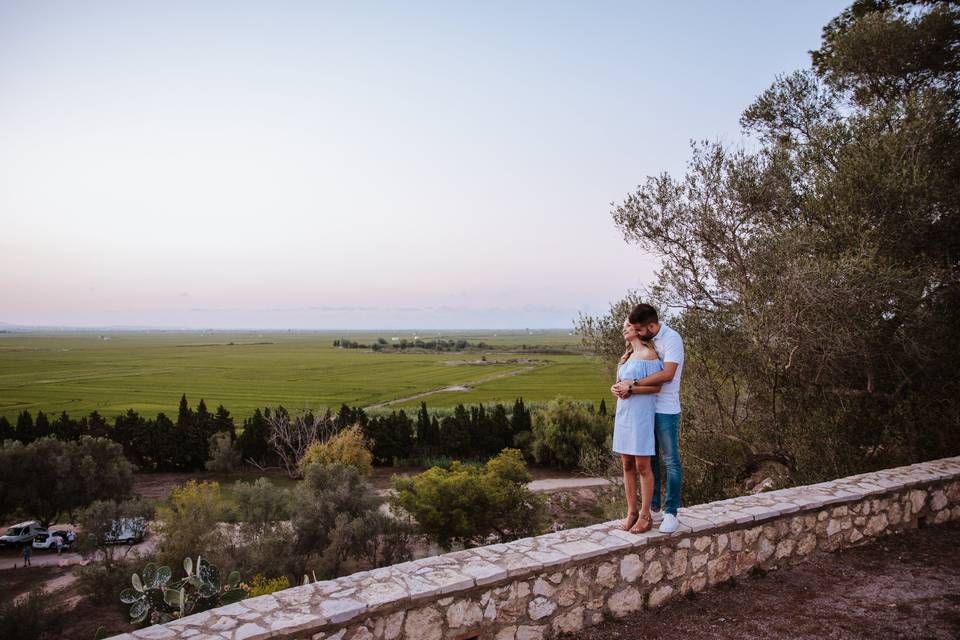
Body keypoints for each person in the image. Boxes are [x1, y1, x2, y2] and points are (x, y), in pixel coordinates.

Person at [613, 304, 684, 533]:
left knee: (670, 461)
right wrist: (621, 388)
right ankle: (650, 509)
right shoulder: (631, 353)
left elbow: (666, 375)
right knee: (647, 462)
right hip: (639, 411)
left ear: (649, 326)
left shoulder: (671, 339)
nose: (634, 330)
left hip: (665, 408)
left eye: (637, 328)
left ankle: (671, 512)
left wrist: (632, 386)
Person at [611, 316, 663, 534]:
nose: (624, 329)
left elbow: (657, 387)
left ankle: (645, 515)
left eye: (628, 326)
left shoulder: (649, 355)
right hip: (624, 415)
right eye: (623, 326)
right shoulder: (626, 358)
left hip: (641, 415)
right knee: (627, 465)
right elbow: (619, 384)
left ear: (639, 329)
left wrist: (631, 389)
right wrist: (614, 390)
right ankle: (631, 512)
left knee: (643, 465)